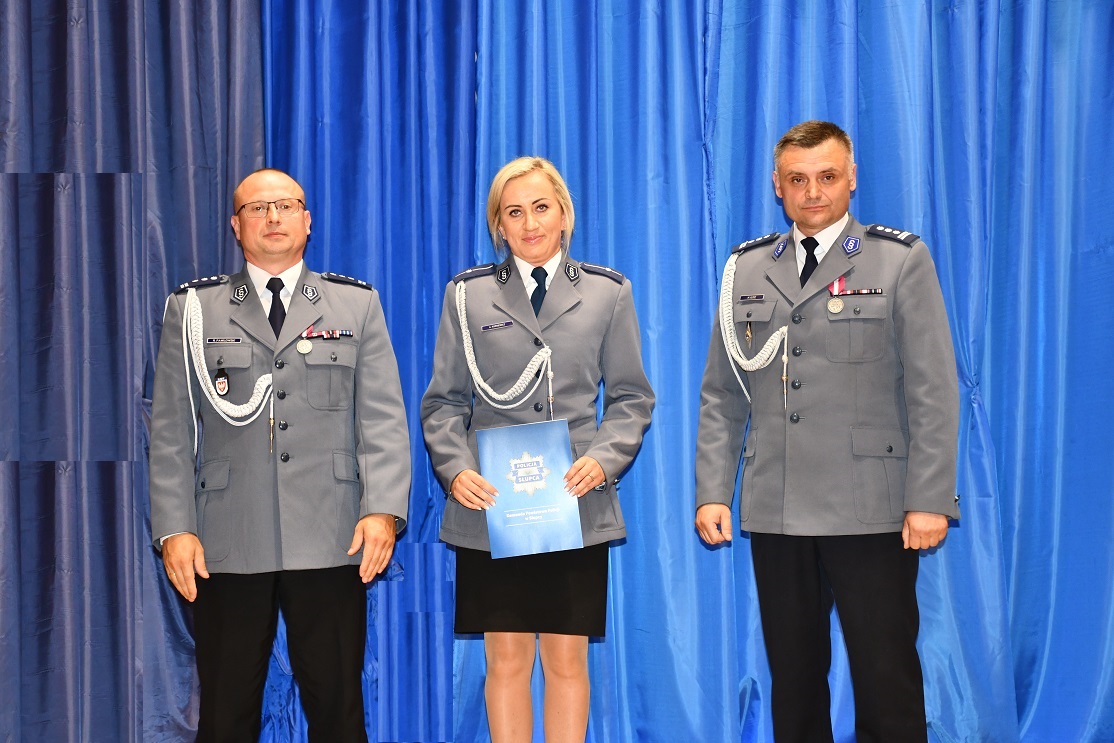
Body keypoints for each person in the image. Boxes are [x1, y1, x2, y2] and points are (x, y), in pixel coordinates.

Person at [694, 121, 959, 742]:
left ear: (852, 179)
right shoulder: (747, 269)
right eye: (798, 179)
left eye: (827, 177)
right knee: (794, 682)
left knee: (886, 677)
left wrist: (929, 499)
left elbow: (932, 390)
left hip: (872, 509)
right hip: (778, 505)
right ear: (777, 186)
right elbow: (722, 395)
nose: (813, 192)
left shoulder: (899, 261)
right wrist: (713, 491)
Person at [148, 167, 411, 742]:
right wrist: (174, 528)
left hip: (332, 533)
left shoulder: (355, 305)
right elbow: (170, 431)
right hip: (227, 539)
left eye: (286, 205)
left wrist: (382, 511)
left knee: (338, 710)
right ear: (236, 226)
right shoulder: (193, 310)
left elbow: (382, 420)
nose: (273, 217)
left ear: (307, 220)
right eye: (257, 208)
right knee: (225, 714)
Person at [421, 156, 654, 742]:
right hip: (494, 505)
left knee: (566, 661)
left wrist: (603, 458)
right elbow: (443, 403)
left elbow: (631, 398)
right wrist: (456, 470)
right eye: (514, 212)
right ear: (498, 225)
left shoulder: (607, 292)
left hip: (573, 502)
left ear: (565, 215)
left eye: (541, 208)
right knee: (505, 661)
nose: (530, 224)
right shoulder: (466, 296)